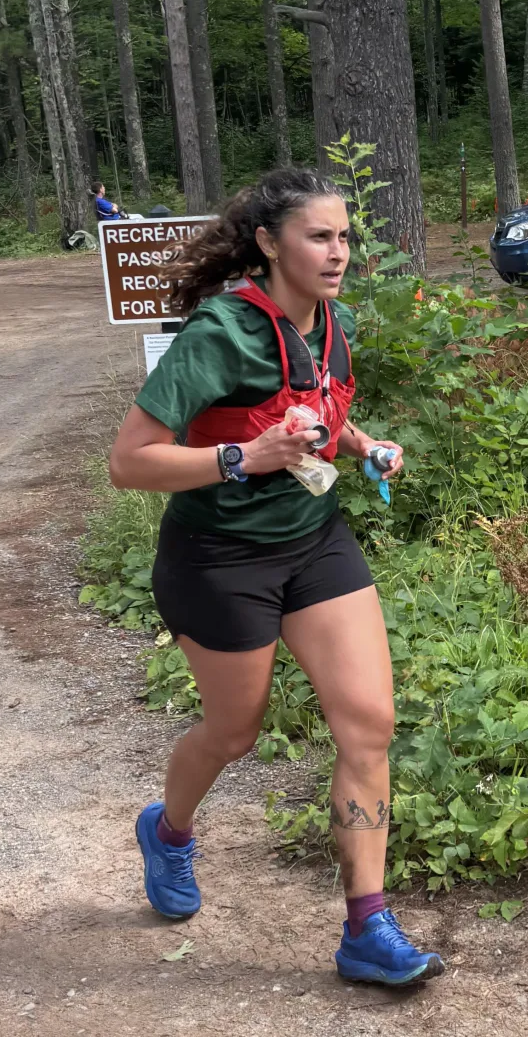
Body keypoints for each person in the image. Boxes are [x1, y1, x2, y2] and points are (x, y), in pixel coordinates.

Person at [108, 167, 444, 987]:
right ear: (268, 243)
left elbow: (317, 400)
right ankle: (170, 830)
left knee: (368, 723)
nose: (338, 254)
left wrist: (360, 446)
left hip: (312, 542)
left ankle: (368, 927)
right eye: (319, 237)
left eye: (344, 237)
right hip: (218, 560)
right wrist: (242, 459)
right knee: (235, 732)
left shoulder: (331, 319)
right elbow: (129, 463)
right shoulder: (219, 333)